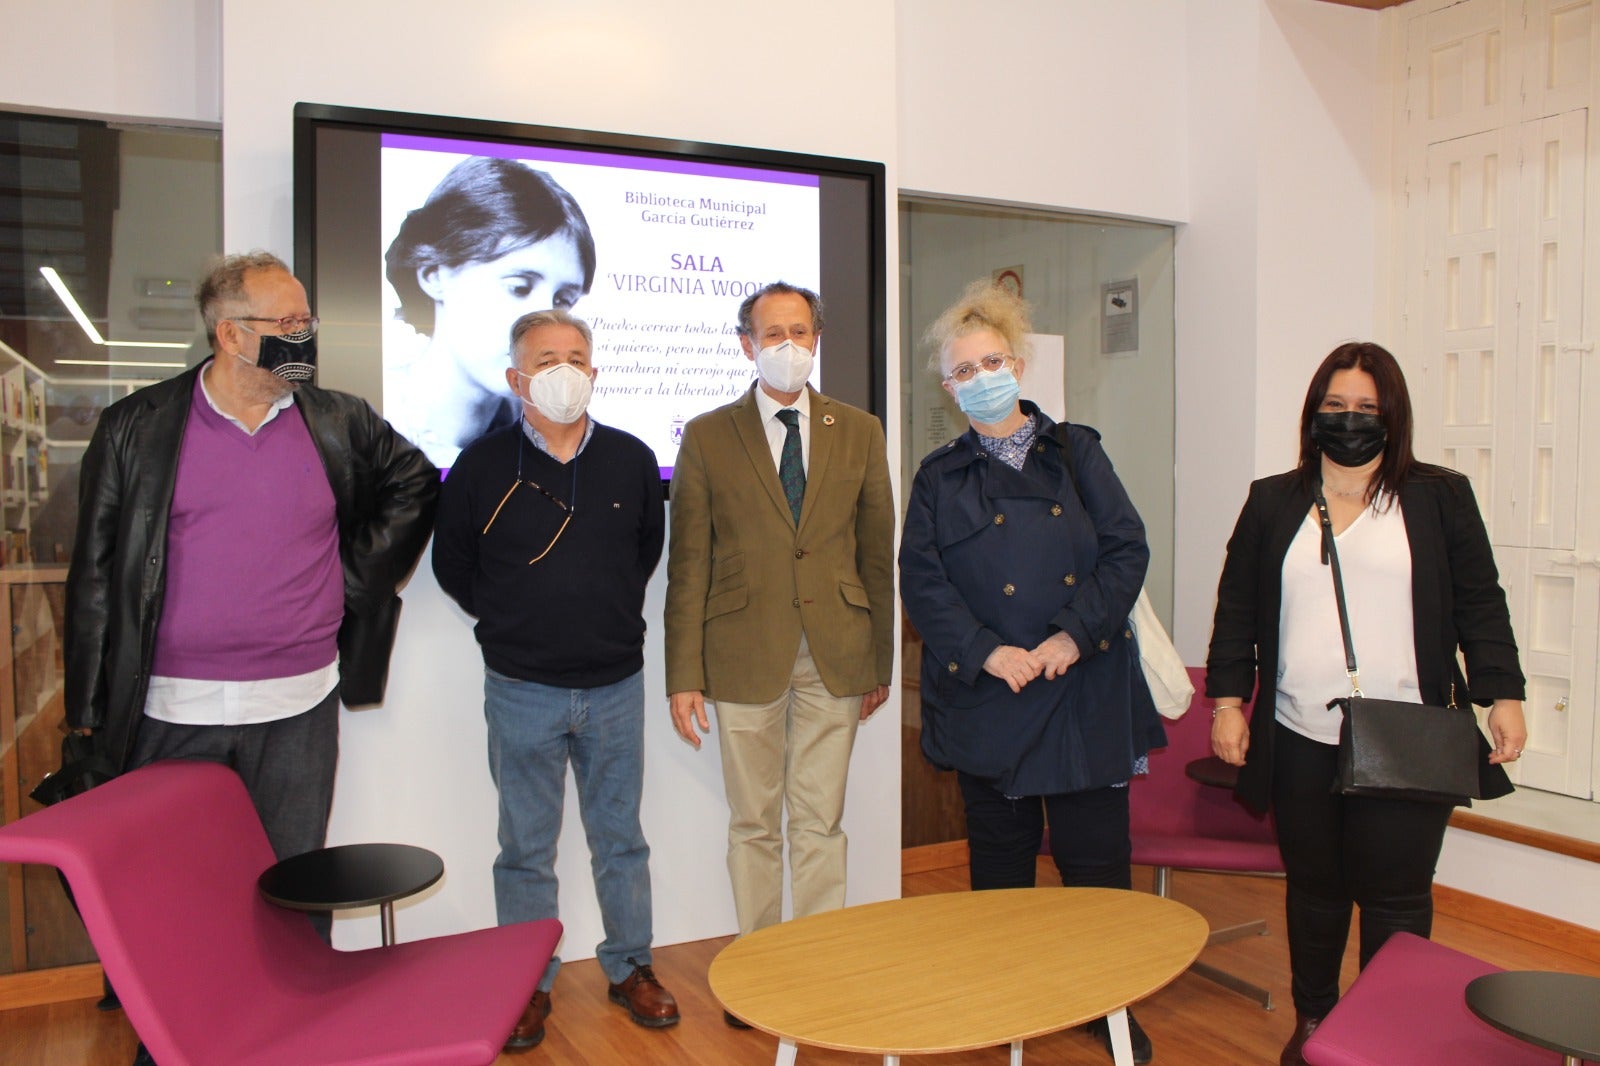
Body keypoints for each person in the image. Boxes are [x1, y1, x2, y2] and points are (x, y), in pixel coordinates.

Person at [1205, 341, 1528, 1066]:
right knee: (1315, 891)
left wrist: (1502, 694)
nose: (1349, 419)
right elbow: (1237, 608)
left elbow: (1481, 602)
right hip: (1298, 733)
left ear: (1393, 417)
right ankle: (1315, 1022)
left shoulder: (1440, 496)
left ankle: (1390, 1034)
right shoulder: (1273, 500)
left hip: (1409, 734)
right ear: (1314, 413)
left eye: (1366, 408)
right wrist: (1227, 700)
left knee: (1396, 897)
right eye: (1335, 405)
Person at [64, 249, 438, 874]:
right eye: (285, 323)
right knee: (173, 888)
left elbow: (416, 483)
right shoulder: (135, 427)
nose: (303, 334)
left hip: (298, 706)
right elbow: (94, 574)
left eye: (306, 320)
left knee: (293, 885)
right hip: (171, 710)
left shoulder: (339, 421)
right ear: (230, 334)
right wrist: (85, 709)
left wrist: (353, 580)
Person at [898, 279, 1163, 1065]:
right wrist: (986, 650)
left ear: (1017, 364)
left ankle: (1109, 1006)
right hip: (992, 693)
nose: (981, 378)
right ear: (948, 388)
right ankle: (1005, 996)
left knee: (1096, 868)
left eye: (992, 362)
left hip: (1080, 687)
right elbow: (923, 580)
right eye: (964, 370)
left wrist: (1072, 636)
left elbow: (1127, 550)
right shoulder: (938, 475)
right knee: (1001, 869)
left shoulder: (1078, 451)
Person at [433, 308, 676, 1049]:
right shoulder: (480, 465)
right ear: (516, 379)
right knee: (525, 849)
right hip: (521, 688)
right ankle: (526, 982)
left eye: (575, 357)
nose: (564, 371)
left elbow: (644, 553)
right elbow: (454, 566)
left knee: (621, 840)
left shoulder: (632, 458)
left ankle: (630, 966)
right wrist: (517, 619)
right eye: (546, 360)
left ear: (594, 372)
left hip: (615, 685)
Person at [664, 281, 895, 1026]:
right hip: (740, 652)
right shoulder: (707, 435)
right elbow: (688, 563)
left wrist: (881, 662)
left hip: (837, 651)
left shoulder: (859, 430)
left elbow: (876, 553)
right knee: (754, 822)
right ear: (747, 344)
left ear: (817, 340)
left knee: (820, 822)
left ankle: (820, 963)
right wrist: (682, 673)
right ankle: (759, 968)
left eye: (800, 331)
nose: (787, 345)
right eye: (773, 333)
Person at [384, 156, 597, 468]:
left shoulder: (562, 441)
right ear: (434, 274)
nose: (543, 324)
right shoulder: (373, 425)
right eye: (519, 287)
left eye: (562, 299)